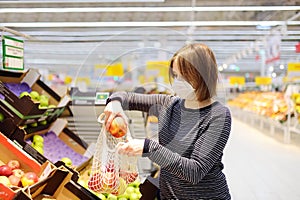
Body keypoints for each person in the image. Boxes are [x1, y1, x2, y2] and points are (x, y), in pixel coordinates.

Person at [103, 43, 232, 200]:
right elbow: (127, 97)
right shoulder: (167, 104)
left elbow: (194, 171)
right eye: (176, 76)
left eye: (185, 77)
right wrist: (114, 103)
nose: (178, 82)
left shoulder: (218, 116)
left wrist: (148, 147)